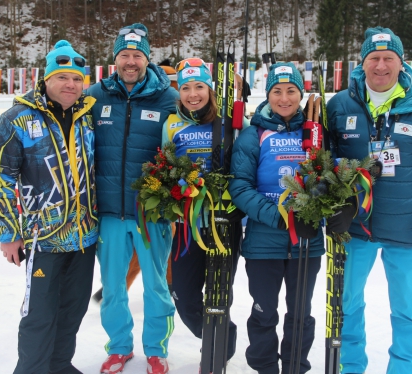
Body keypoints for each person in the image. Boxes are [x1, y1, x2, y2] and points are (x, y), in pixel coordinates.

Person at [327, 26, 412, 374]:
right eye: (373, 58)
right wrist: (331, 209)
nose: (380, 66)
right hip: (355, 227)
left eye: (388, 59)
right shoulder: (339, 106)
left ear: (402, 64)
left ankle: (405, 367)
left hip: (407, 229)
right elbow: (321, 162)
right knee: (347, 306)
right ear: (362, 64)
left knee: (408, 309)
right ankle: (351, 366)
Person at [0, 40, 97, 374]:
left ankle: (59, 365)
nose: (71, 85)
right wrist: (7, 234)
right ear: (45, 79)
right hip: (42, 237)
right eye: (63, 77)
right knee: (40, 314)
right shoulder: (17, 119)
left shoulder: (87, 115)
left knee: (73, 309)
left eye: (77, 79)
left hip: (84, 236)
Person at [86, 23, 178, 374]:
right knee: (112, 290)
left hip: (151, 214)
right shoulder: (96, 95)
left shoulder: (167, 98)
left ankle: (156, 350)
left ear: (146, 58)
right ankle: (119, 348)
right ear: (115, 58)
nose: (130, 61)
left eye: (137, 55)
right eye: (124, 54)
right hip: (109, 212)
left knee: (156, 287)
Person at [228, 62, 325, 374]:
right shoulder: (252, 134)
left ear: (301, 94)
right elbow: (240, 186)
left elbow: (330, 177)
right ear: (267, 94)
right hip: (263, 242)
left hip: (306, 243)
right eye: (277, 91)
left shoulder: (316, 132)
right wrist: (279, 218)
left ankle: (295, 366)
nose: (285, 98)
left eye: (291, 91)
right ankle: (264, 365)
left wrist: (321, 207)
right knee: (264, 311)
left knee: (300, 312)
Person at [161, 57, 245, 370]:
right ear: (178, 91)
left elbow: (246, 162)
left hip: (224, 220)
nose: (193, 93)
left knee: (219, 292)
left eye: (199, 86)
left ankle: (214, 354)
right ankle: (226, 334)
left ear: (210, 89)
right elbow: (163, 168)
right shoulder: (171, 124)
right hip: (187, 223)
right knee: (183, 294)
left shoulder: (229, 122)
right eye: (186, 87)